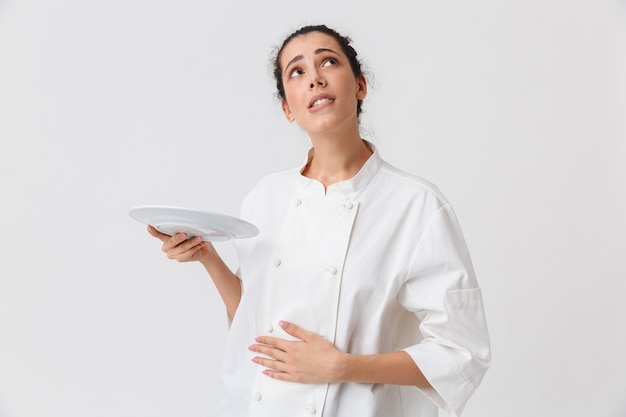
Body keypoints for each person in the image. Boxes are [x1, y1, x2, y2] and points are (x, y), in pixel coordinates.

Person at [147, 24, 490, 417]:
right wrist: (207, 256)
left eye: (328, 61)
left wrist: (341, 367)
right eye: (297, 71)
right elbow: (255, 323)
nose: (315, 78)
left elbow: (462, 352)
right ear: (288, 109)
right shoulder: (266, 197)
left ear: (360, 85)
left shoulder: (416, 205)